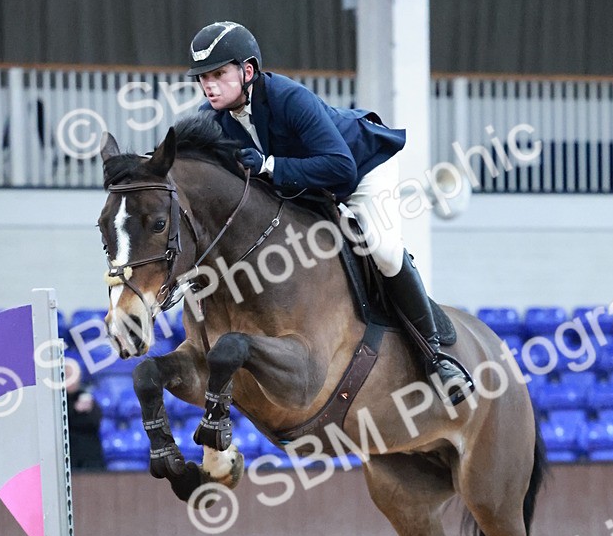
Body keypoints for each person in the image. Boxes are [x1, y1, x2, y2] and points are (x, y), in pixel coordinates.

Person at [187, 20, 474, 402]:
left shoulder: (288, 97)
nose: (209, 85)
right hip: (307, 186)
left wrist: (269, 165)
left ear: (248, 71)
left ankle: (434, 356)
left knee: (383, 250)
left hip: (361, 168)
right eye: (203, 77)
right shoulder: (213, 120)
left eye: (218, 75)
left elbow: (341, 167)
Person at [64, 360, 105, 471]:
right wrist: (75, 410)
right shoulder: (55, 403)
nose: (70, 378)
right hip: (66, 457)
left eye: (73, 374)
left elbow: (95, 422)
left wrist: (88, 409)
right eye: (66, 374)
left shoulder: (87, 398)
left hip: (89, 458)